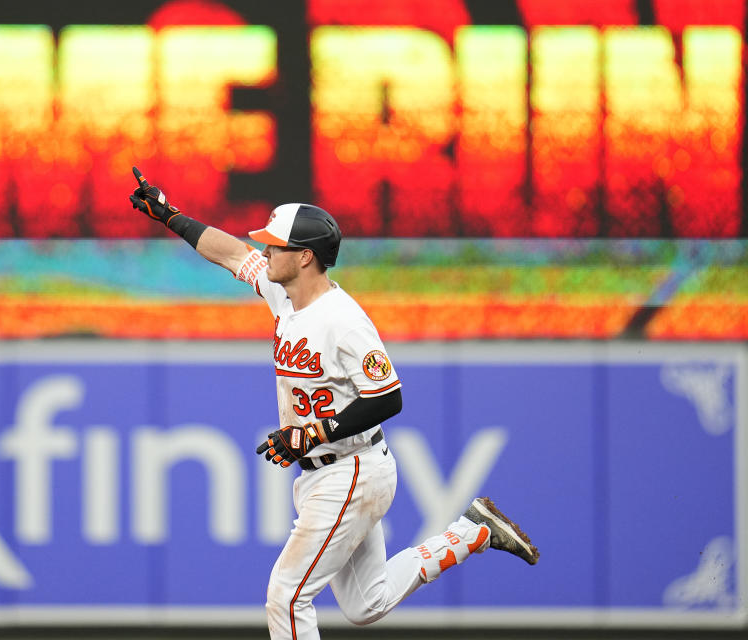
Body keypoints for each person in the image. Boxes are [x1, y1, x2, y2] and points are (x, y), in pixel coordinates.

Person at [127, 167, 539, 639]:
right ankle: (472, 532)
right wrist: (169, 215)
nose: (265, 250)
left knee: (286, 595)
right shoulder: (284, 294)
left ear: (304, 257)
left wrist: (312, 433)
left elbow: (388, 397)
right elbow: (233, 254)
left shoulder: (344, 321)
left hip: (351, 468)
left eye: (276, 245)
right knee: (366, 604)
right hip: (330, 470)